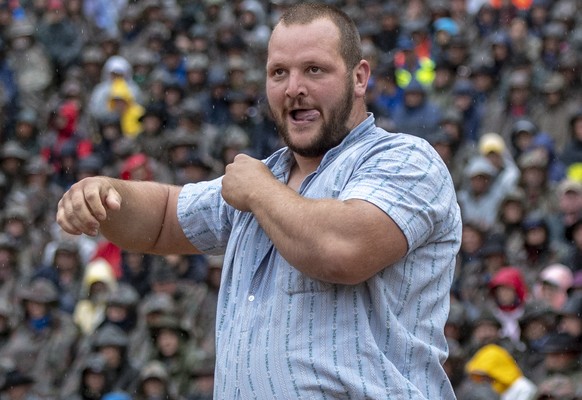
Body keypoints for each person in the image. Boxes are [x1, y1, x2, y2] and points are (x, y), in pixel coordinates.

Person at [56, 3, 462, 399]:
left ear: (359, 78)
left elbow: (343, 250)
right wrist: (103, 194)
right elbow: (163, 219)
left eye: (314, 69)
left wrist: (258, 189)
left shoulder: (406, 160)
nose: (294, 88)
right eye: (278, 72)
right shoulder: (264, 179)